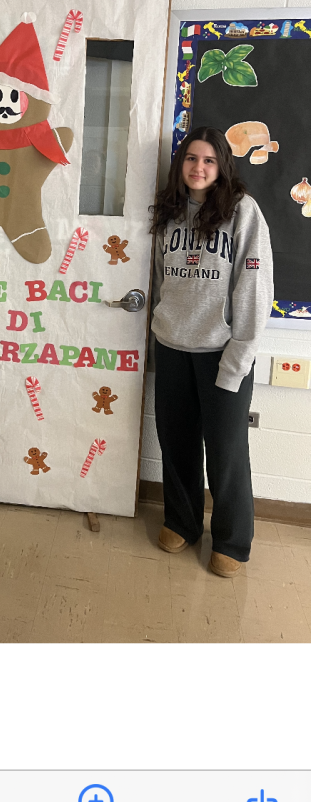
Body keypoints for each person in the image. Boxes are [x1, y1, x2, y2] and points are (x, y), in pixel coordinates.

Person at [149, 126, 273, 577]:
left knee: (226, 450)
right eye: (190, 158)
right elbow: (159, 278)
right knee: (176, 442)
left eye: (208, 160)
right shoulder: (168, 211)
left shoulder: (243, 212)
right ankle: (182, 521)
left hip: (222, 352)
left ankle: (232, 541)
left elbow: (255, 289)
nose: (198, 168)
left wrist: (238, 358)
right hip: (172, 346)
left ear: (222, 166)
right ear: (180, 164)